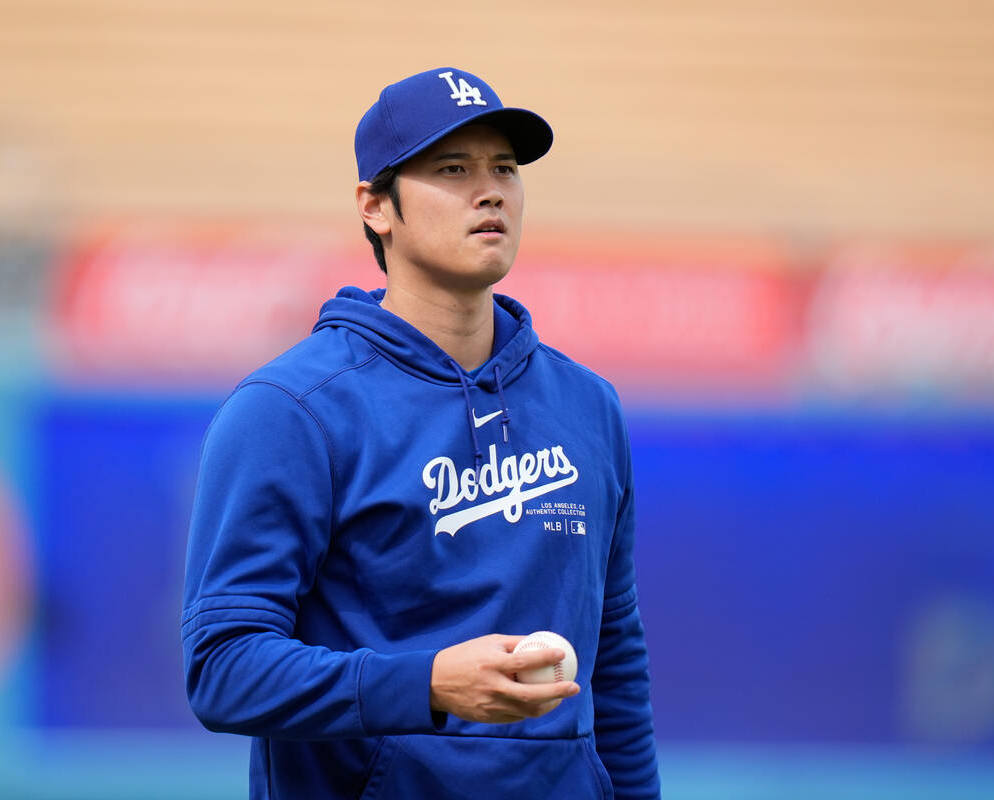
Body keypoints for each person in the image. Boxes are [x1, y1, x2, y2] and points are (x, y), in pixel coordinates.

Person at [182, 67, 660, 799]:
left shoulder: (587, 406)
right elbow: (223, 668)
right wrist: (426, 685)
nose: (491, 189)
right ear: (376, 205)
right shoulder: (292, 410)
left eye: (505, 167)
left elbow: (615, 659)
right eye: (452, 169)